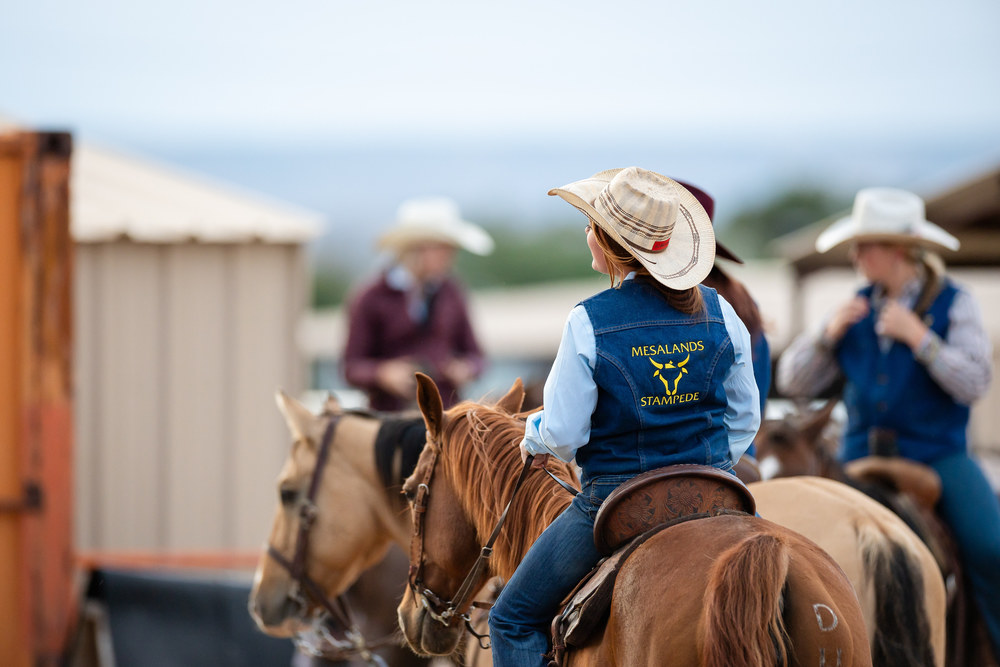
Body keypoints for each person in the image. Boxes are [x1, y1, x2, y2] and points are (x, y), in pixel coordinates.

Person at [487, 167, 760, 666]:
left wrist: (533, 435)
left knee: (511, 619)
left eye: (591, 224)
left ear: (611, 244)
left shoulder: (588, 321)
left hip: (615, 502)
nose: (585, 232)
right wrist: (710, 462)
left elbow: (565, 433)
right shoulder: (722, 312)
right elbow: (745, 419)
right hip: (717, 492)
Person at [776, 186, 1000, 657]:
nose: (856, 254)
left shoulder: (954, 303)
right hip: (856, 455)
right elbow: (794, 381)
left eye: (866, 244)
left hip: (938, 456)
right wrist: (825, 334)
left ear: (899, 250)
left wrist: (920, 338)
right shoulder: (852, 309)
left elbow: (977, 381)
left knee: (991, 549)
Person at [342, 197, 493, 411]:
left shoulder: (452, 292)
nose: (450, 256)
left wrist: (465, 368)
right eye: (442, 248)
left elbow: (477, 356)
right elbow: (351, 367)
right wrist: (383, 374)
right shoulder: (371, 297)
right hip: (392, 419)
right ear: (416, 249)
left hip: (446, 416)